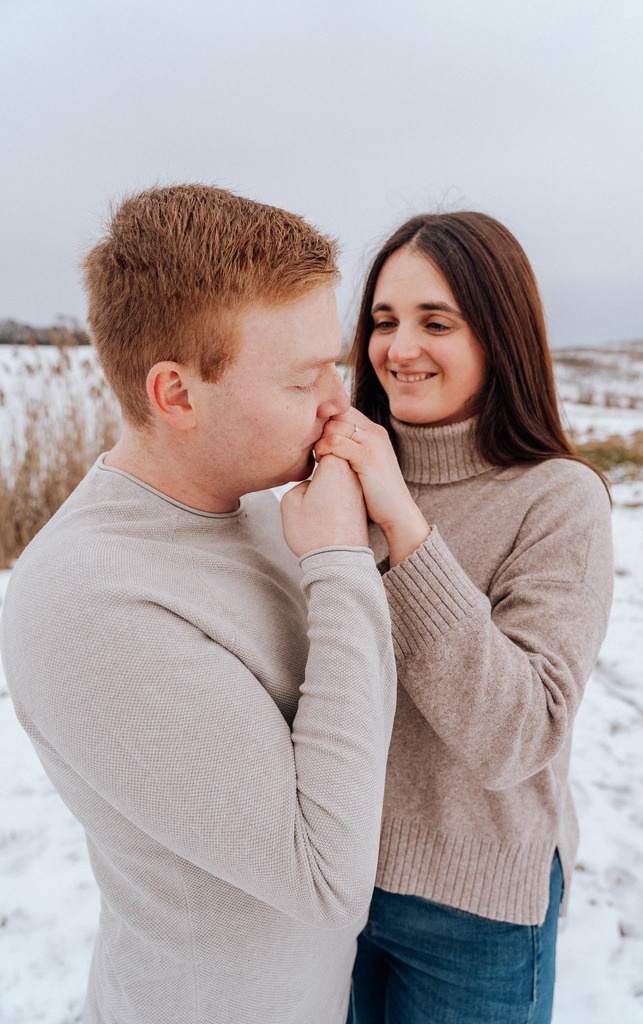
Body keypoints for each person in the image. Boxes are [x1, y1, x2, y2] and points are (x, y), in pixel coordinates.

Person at [0, 184, 397, 1024]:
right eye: (301, 380)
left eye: (334, 363)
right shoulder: (84, 599)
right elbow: (325, 881)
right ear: (176, 395)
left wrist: (378, 539)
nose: (338, 401)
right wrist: (338, 562)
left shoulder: (261, 504)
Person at [314, 211, 614, 1024]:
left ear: (499, 336)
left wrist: (404, 527)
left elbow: (517, 735)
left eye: (433, 321)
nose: (397, 348)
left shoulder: (557, 499)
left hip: (474, 911)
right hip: (327, 886)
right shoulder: (334, 481)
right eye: (382, 320)